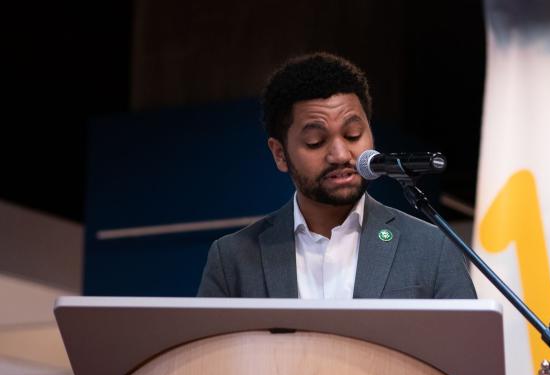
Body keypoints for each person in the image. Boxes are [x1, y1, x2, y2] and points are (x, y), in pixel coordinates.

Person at [197, 51, 476, 300]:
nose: (341, 154)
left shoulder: (432, 247)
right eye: (316, 141)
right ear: (280, 154)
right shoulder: (233, 258)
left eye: (353, 134)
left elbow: (468, 353)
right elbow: (206, 358)